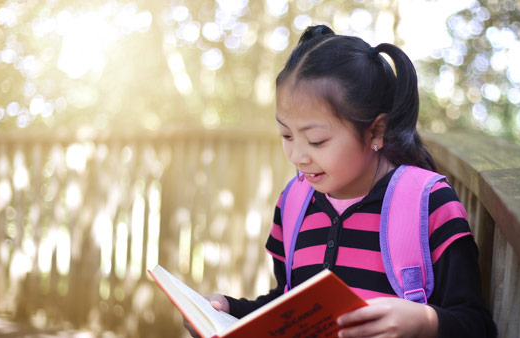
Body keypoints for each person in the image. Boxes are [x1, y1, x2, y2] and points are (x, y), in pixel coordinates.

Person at [185, 24, 497, 338]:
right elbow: (287, 306)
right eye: (286, 135)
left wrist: (426, 323)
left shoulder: (430, 205)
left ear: (375, 131)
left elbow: (477, 325)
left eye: (316, 140)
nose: (297, 155)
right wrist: (228, 312)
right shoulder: (293, 203)